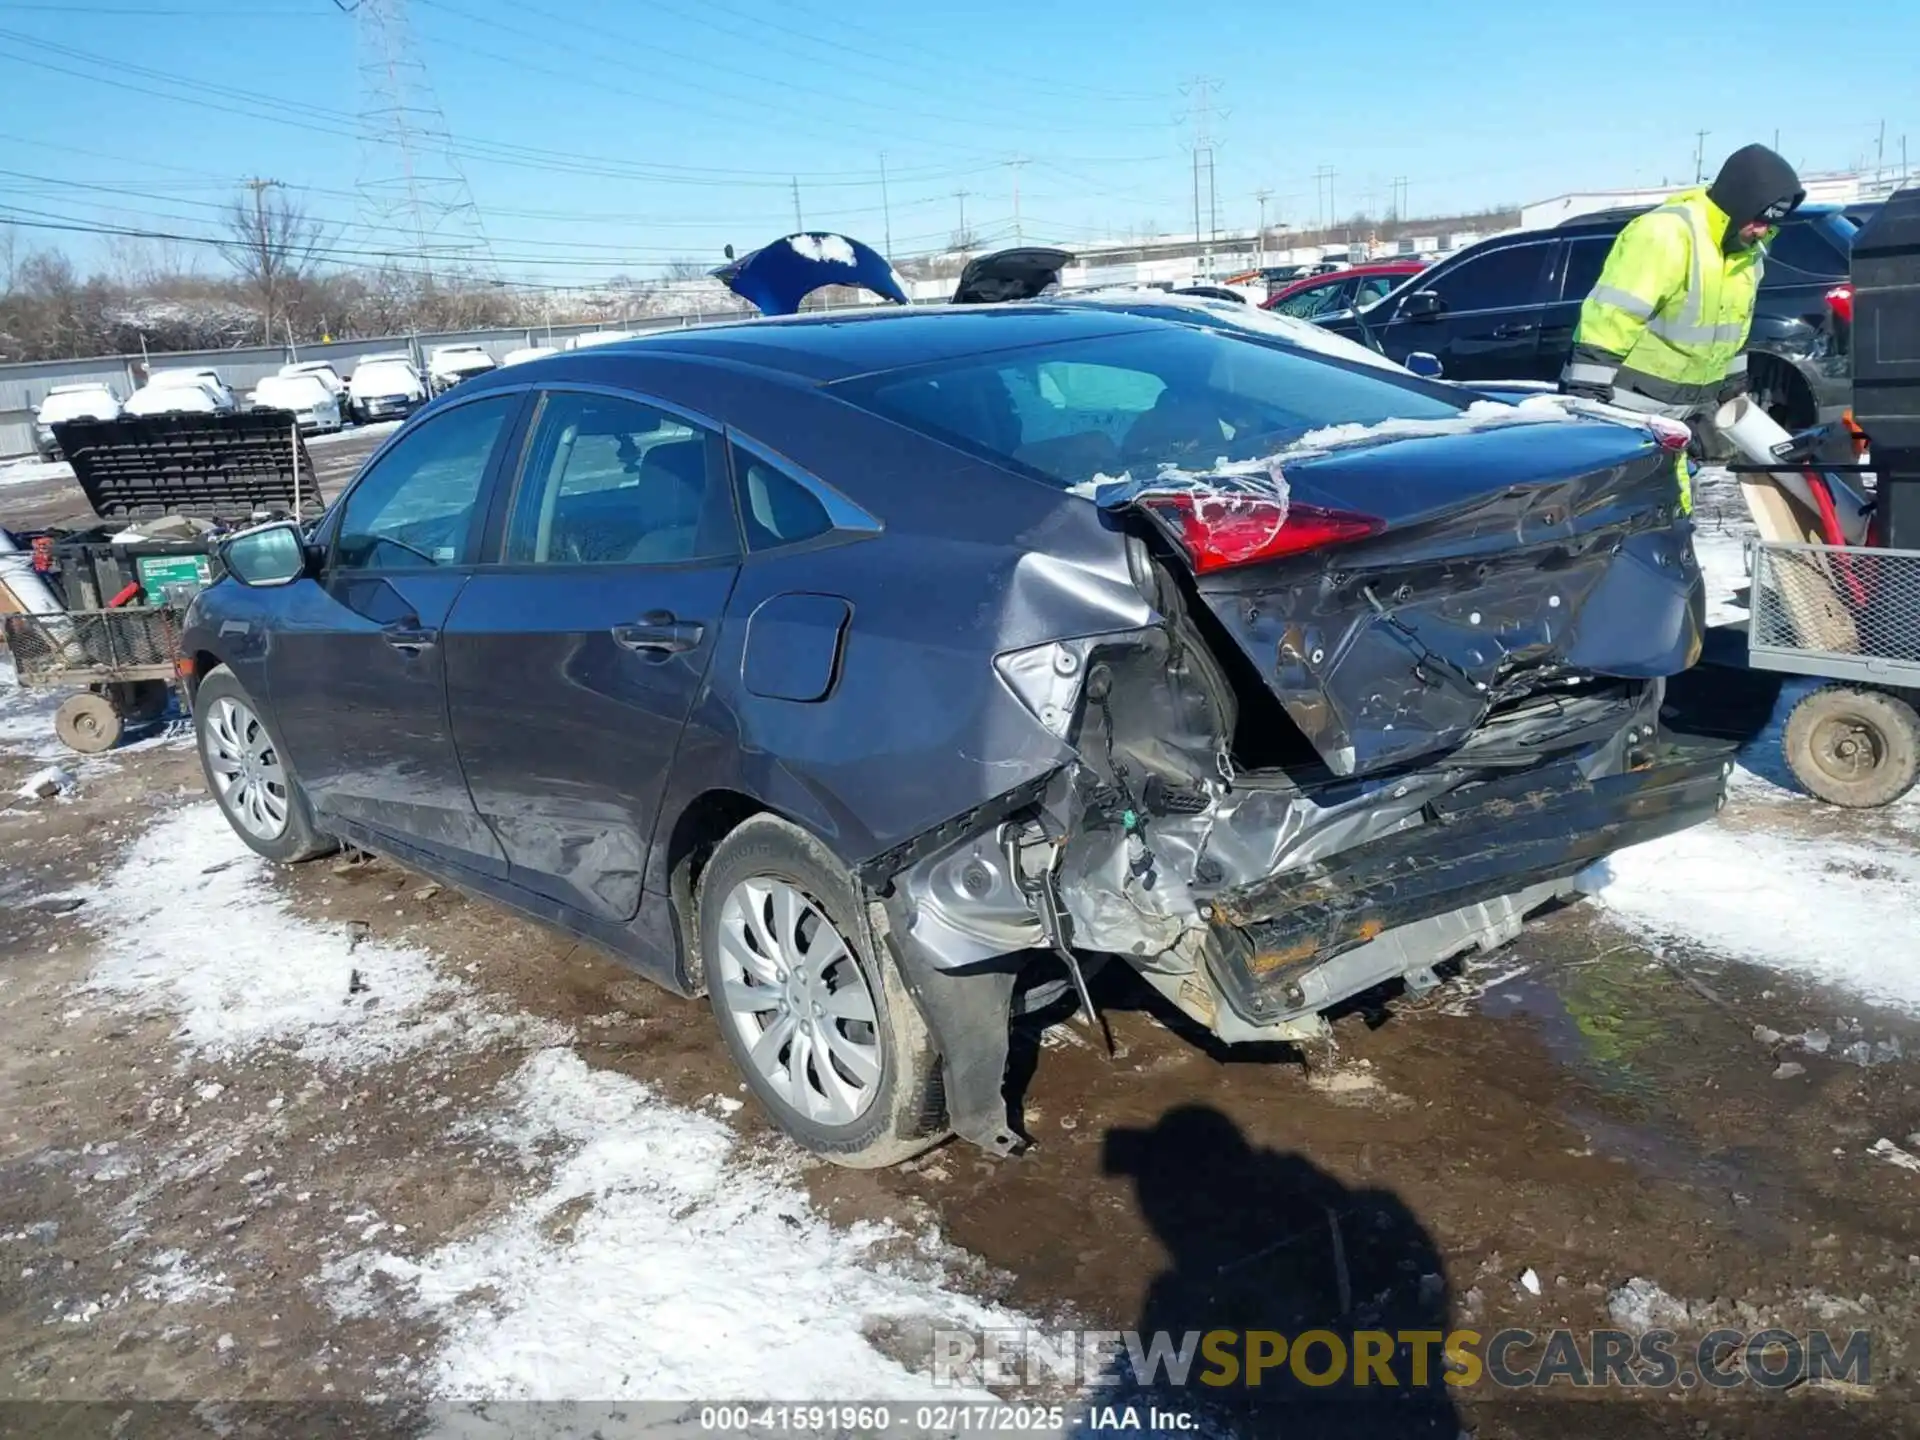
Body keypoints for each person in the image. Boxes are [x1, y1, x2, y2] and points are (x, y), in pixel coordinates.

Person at [1560, 143, 1805, 512]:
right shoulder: (1667, 234)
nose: (1763, 230)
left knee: (1672, 508)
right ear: (1736, 201)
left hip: (1684, 413)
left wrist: (1732, 392)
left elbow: (1734, 332)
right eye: (1758, 218)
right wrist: (1588, 396)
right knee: (1620, 508)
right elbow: (1613, 316)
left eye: (1771, 222)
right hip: (1631, 409)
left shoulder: (1749, 255)